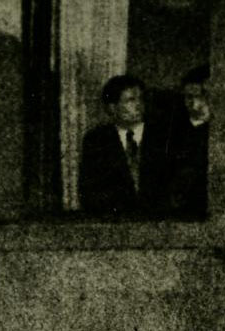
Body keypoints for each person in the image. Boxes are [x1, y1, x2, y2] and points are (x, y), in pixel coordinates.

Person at [76, 74, 169, 218]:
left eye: (141, 99)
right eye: (130, 100)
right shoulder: (96, 140)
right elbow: (89, 191)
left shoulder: (163, 136)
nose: (138, 105)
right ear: (112, 108)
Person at [164, 65, 212, 218]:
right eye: (189, 97)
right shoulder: (172, 131)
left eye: (202, 96)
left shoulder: (220, 131)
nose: (195, 104)